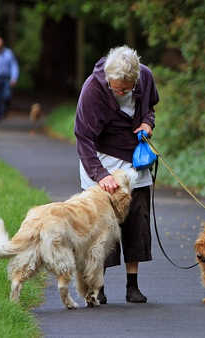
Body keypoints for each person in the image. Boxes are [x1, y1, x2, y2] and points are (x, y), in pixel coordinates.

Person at [75, 45, 159, 303]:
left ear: (135, 79)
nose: (121, 92)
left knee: (137, 218)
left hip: (135, 159)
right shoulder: (92, 88)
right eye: (116, 87)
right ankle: (98, 286)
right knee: (102, 227)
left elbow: (150, 109)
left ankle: (132, 285)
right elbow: (84, 137)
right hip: (101, 159)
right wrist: (100, 175)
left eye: (126, 88)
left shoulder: (144, 76)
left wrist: (147, 123)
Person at [0, 37, 19, 122]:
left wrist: (14, 78)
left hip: (6, 78)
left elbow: (14, 66)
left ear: (2, 46)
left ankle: (4, 111)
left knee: (7, 96)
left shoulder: (9, 53)